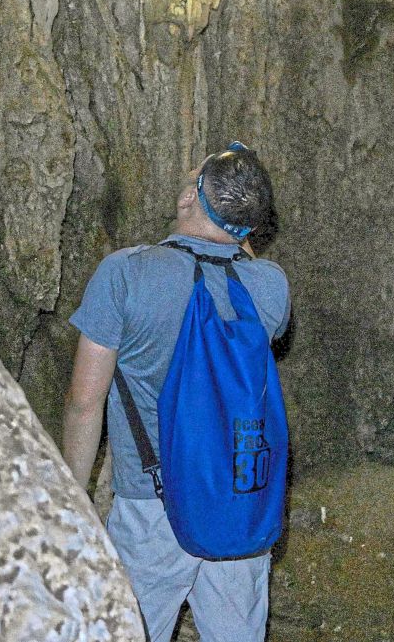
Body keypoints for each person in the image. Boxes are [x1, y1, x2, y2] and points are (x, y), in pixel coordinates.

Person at [62, 143, 290, 642]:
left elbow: (84, 404)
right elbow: (237, 271)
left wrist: (72, 500)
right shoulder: (271, 287)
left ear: (190, 197)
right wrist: (237, 225)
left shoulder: (125, 274)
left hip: (153, 506)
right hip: (238, 500)